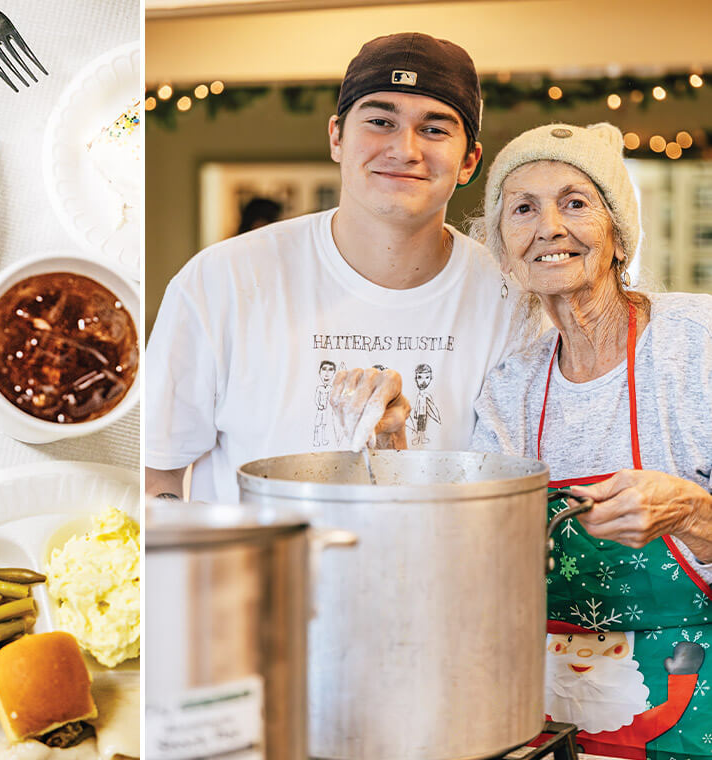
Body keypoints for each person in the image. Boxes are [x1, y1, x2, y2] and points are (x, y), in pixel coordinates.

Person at [146, 32, 518, 503]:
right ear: (337, 138)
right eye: (380, 120)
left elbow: (515, 485)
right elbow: (155, 474)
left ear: (469, 162)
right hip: (251, 573)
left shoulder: (511, 302)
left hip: (435, 573)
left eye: (434, 129)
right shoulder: (223, 280)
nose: (405, 149)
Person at [469, 121, 712, 759]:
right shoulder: (509, 384)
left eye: (575, 202)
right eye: (523, 209)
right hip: (547, 725)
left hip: (690, 715)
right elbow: (475, 562)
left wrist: (690, 511)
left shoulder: (698, 344)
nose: (549, 226)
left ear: (618, 233)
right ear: (502, 249)